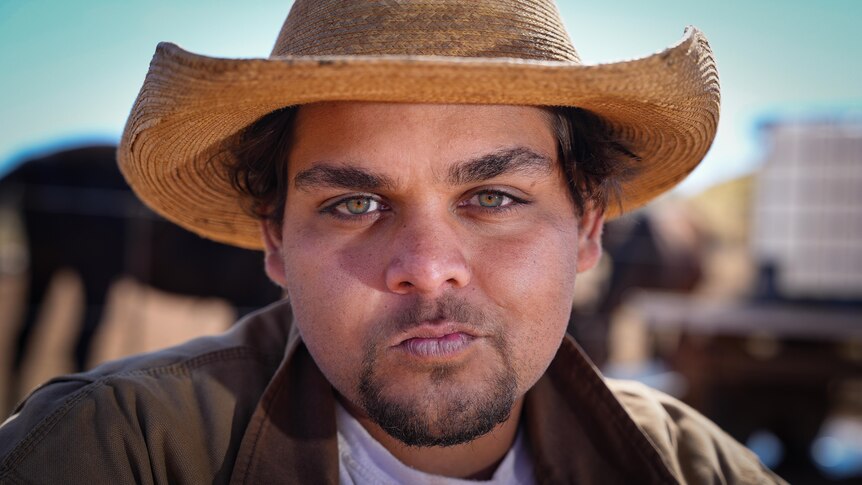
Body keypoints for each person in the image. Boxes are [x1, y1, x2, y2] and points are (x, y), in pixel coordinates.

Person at [0, 1, 784, 483]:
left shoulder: (698, 471)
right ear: (274, 239)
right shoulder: (106, 455)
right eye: (355, 202)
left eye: (492, 197)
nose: (427, 267)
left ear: (585, 226)